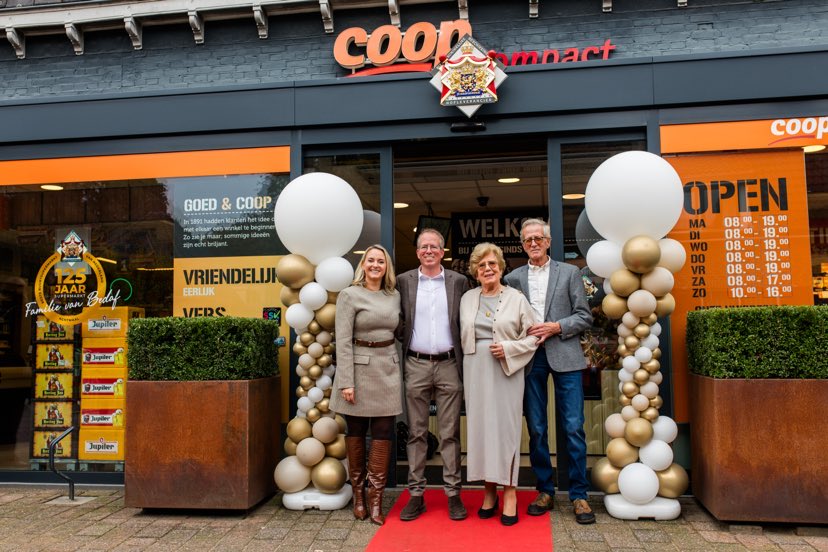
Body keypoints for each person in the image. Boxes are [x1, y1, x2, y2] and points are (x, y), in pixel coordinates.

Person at [503, 218, 595, 524]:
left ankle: (580, 495)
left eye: (538, 238)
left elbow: (584, 316)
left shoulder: (569, 273)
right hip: (530, 358)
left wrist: (557, 326)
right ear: (522, 245)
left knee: (573, 427)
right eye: (528, 240)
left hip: (565, 354)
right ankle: (545, 489)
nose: (533, 243)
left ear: (549, 241)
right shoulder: (513, 278)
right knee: (537, 428)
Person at [460, 242, 538, 526]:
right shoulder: (467, 298)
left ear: (501, 268)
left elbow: (534, 337)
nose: (487, 269)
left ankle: (510, 491)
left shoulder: (516, 298)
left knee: (505, 430)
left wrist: (509, 348)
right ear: (475, 272)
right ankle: (488, 491)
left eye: (492, 264)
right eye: (482, 266)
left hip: (506, 370)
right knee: (481, 430)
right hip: (474, 369)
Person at [397, 229, 470, 522]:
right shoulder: (403, 281)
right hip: (416, 363)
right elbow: (396, 320)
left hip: (450, 363)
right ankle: (416, 495)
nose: (429, 250)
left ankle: (453, 494)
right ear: (417, 252)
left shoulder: (458, 281)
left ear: (442, 252)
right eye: (423, 246)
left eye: (434, 247)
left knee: (450, 432)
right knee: (416, 433)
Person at [330, 245, 402, 526]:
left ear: (386, 267)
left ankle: (376, 500)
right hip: (358, 370)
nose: (375, 265)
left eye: (380, 261)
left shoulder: (393, 296)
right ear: (363, 264)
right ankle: (358, 495)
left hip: (387, 368)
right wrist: (346, 381)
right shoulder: (349, 295)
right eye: (370, 260)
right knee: (357, 432)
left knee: (383, 433)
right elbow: (343, 340)